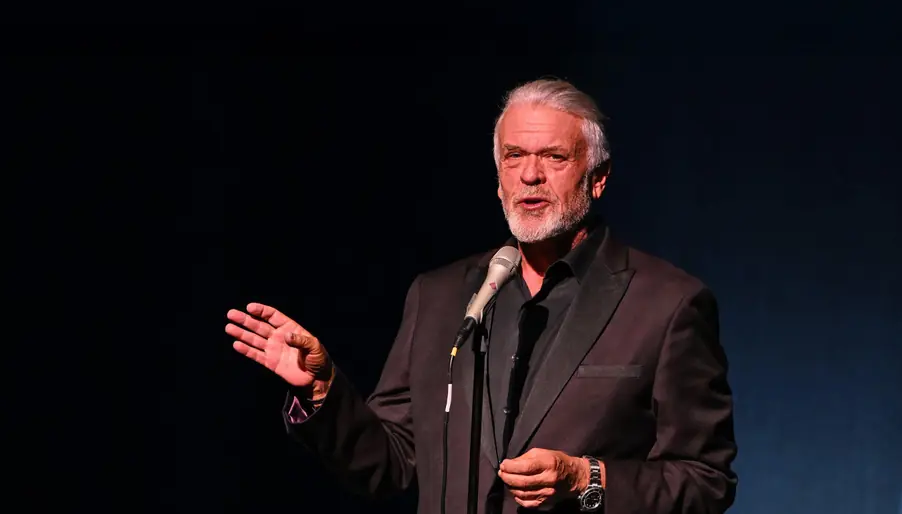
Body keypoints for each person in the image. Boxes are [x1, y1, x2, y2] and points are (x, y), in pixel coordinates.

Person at [225, 78, 738, 513]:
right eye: (514, 157)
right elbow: (397, 463)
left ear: (598, 179)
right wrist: (323, 392)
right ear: (498, 180)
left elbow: (706, 480)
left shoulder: (667, 304)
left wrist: (587, 481)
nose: (530, 175)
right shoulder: (440, 297)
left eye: (554, 157)